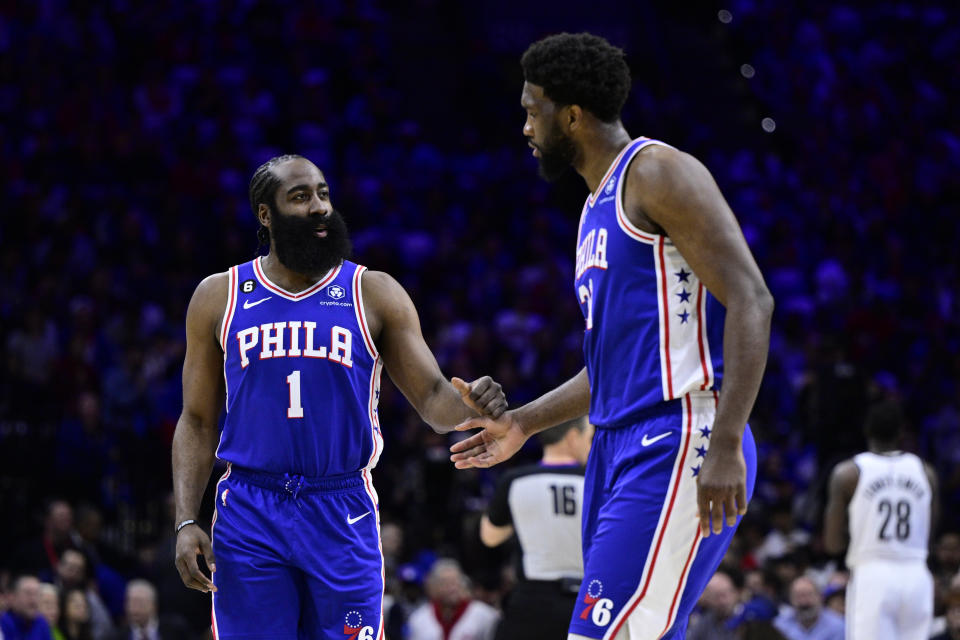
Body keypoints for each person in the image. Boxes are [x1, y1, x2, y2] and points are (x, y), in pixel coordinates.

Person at [450, 32, 773, 639]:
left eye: (530, 110)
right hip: (615, 443)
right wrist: (523, 422)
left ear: (571, 115)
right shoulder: (594, 208)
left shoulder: (658, 172)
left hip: (680, 436)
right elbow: (610, 364)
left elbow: (753, 299)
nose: (524, 127)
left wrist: (725, 440)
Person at [171, 154, 507, 639]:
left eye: (323, 194)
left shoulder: (372, 291)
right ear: (265, 214)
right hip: (250, 509)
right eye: (301, 196)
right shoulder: (219, 296)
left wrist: (471, 405)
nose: (319, 207)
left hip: (340, 506)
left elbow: (434, 398)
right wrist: (185, 519)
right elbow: (197, 420)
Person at [824, 399, 938, 640]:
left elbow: (832, 543)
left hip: (872, 572)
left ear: (866, 430)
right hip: (916, 572)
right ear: (901, 432)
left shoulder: (848, 473)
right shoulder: (926, 472)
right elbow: (928, 536)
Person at [480, 416, 594, 640]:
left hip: (532, 603)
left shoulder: (514, 481)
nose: (592, 445)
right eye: (589, 437)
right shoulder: (600, 483)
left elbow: (489, 537)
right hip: (588, 602)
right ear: (572, 437)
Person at [406, 559, 500, 640]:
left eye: (455, 582)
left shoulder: (485, 615)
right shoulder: (419, 618)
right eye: (446, 583)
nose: (452, 589)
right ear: (433, 587)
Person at [108, 580, 191, 640]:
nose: (134, 609)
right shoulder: (117, 636)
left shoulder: (175, 629)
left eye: (139, 602)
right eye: (130, 602)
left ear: (153, 606)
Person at [772, 577, 843, 640]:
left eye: (808, 595)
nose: (804, 602)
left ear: (820, 597)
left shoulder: (837, 626)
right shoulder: (779, 626)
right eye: (798, 596)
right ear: (791, 599)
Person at [0, 575, 53, 640]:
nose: (33, 600)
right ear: (12, 597)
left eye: (36, 594)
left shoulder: (41, 622)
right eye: (28, 593)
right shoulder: (3, 623)